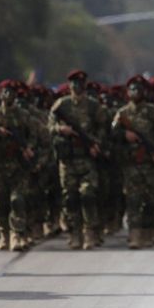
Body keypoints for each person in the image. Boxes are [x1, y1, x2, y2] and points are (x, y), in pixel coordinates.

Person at [49, 70, 108, 250]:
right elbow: (50, 126)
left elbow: (103, 129)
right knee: (71, 198)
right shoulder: (61, 105)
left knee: (88, 195)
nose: (76, 87)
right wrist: (61, 129)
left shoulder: (93, 106)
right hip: (67, 160)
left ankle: (90, 232)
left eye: (80, 83)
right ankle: (75, 234)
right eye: (73, 83)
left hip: (87, 158)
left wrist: (96, 144)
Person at [112, 76, 154, 248]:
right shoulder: (122, 113)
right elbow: (112, 135)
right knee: (133, 200)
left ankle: (148, 234)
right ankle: (134, 235)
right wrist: (124, 135)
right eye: (132, 89)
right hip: (131, 163)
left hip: (150, 163)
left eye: (138, 89)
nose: (135, 92)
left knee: (150, 198)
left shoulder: (153, 111)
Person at [0, 80, 36, 251]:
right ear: (0, 95)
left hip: (18, 165)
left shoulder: (24, 115)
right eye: (5, 92)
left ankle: (17, 234)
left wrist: (29, 149)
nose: (8, 95)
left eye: (11, 92)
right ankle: (4, 235)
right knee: (1, 203)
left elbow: (33, 135)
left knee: (18, 200)